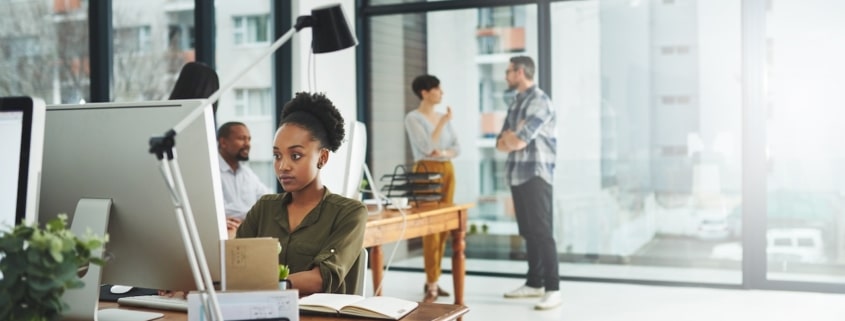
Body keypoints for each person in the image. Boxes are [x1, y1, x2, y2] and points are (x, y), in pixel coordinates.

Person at [236, 92, 368, 296]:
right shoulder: (264, 208)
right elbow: (236, 268)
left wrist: (268, 284)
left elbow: (320, 280)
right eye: (277, 156)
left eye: (295, 156)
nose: (283, 166)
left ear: (322, 158)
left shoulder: (350, 213)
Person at [496, 56, 560, 310]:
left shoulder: (540, 101)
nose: (506, 76)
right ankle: (534, 283)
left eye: (509, 71)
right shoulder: (516, 102)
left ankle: (553, 289)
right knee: (528, 232)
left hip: (536, 174)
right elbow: (500, 143)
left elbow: (519, 142)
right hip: (516, 173)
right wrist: (512, 135)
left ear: (520, 72)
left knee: (542, 232)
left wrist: (513, 136)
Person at [404, 74, 460, 303]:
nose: (441, 93)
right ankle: (433, 284)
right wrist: (443, 124)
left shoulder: (441, 116)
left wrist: (445, 153)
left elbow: (457, 147)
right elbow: (428, 147)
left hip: (447, 169)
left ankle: (433, 279)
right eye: (437, 89)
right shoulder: (413, 118)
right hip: (426, 170)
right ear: (425, 93)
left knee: (444, 227)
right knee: (430, 228)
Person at [217, 121, 271, 238]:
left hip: (248, 227)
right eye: (241, 139)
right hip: (225, 231)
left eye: (249, 139)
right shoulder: (211, 171)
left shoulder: (247, 174)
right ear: (223, 142)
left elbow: (268, 202)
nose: (247, 144)